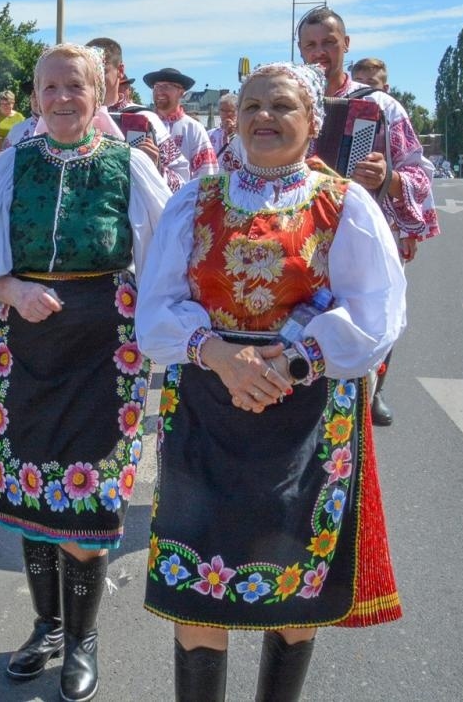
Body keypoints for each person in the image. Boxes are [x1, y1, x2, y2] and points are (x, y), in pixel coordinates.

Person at [136, 61, 407, 701]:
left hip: (306, 412)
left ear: (312, 121)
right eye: (251, 105)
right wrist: (220, 355)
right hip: (206, 401)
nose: (263, 117)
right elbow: (156, 307)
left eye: (281, 106)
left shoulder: (343, 203)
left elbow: (375, 312)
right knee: (197, 588)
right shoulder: (195, 199)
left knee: (293, 587)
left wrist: (288, 362)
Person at [0, 44, 169, 702]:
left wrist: (163, 331)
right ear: (33, 96)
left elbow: (164, 256)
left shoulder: (131, 166)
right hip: (24, 343)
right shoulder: (11, 165)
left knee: (88, 494)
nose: (63, 97)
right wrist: (9, 290)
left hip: (104, 345)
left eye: (76, 86)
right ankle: (45, 626)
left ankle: (81, 638)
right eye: (50, 87)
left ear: (100, 92)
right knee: (30, 489)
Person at [296, 8, 437, 428]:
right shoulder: (287, 99)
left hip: (361, 233)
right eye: (311, 45)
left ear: (346, 44)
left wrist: (388, 178)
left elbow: (420, 173)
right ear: (300, 49)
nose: (320, 53)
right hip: (301, 235)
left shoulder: (379, 107)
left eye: (329, 43)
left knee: (374, 314)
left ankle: (372, 390)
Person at [84, 37, 189, 189]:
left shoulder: (143, 118)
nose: (95, 79)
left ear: (120, 71)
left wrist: (156, 167)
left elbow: (183, 182)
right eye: (87, 72)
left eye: (102, 71)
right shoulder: (72, 117)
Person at [146, 67, 218, 180]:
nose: (159, 91)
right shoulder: (144, 124)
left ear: (181, 92)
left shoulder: (193, 128)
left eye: (166, 86)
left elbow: (207, 175)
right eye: (156, 87)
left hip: (183, 196)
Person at [0, 88, 26, 164]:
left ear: (13, 103)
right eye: (2, 104)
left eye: (8, 104)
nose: (5, 106)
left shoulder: (20, 117)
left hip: (12, 154)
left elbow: (23, 137)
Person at [207, 93, 237, 163]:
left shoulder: (244, 136)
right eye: (222, 110)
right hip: (215, 173)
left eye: (230, 111)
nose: (226, 114)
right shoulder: (209, 134)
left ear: (237, 112)